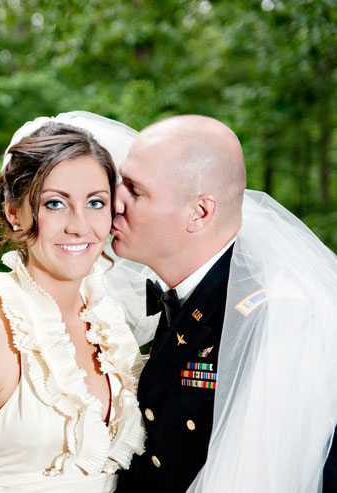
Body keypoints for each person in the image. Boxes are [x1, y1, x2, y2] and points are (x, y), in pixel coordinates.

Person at [0, 112, 146, 492]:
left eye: (95, 202)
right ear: (13, 213)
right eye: (55, 204)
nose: (79, 225)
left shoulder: (112, 328)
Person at [112, 114, 337, 492]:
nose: (113, 200)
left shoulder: (277, 318)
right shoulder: (187, 290)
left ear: (199, 212)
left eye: (135, 190)